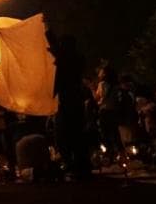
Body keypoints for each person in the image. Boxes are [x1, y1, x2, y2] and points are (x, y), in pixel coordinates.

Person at [47, 33, 91, 179]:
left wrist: (47, 31)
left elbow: (55, 49)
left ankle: (73, 164)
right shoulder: (77, 59)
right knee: (77, 134)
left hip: (68, 101)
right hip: (75, 100)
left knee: (65, 134)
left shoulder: (68, 59)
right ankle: (81, 165)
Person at [95, 65, 121, 158]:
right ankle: (121, 153)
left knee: (105, 133)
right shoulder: (116, 85)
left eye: (101, 71)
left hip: (104, 111)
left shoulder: (102, 84)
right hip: (114, 111)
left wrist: (90, 88)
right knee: (115, 132)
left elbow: (97, 98)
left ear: (104, 74)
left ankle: (109, 153)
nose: (99, 73)